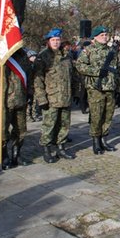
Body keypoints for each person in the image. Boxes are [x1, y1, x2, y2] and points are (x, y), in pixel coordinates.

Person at [0, 48, 33, 169]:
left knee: (21, 130)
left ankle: (16, 154)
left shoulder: (23, 55)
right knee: (2, 131)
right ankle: (4, 154)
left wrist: (30, 93)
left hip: (20, 98)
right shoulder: (0, 54)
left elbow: (29, 74)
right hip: (3, 100)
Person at [34, 28, 76, 163]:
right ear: (48, 41)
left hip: (65, 97)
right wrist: (41, 98)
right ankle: (46, 150)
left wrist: (74, 92)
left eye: (58, 40)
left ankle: (61, 148)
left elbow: (72, 76)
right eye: (53, 40)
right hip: (51, 98)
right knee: (49, 126)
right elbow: (38, 80)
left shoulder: (67, 56)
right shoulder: (43, 56)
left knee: (64, 125)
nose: (56, 42)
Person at [76, 26, 120, 155]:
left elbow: (116, 68)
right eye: (102, 35)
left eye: (106, 34)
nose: (105, 37)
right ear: (95, 37)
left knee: (108, 115)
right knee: (96, 115)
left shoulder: (111, 51)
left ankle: (104, 139)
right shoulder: (88, 50)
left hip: (110, 87)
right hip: (96, 88)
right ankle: (96, 141)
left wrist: (117, 84)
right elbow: (79, 66)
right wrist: (96, 72)